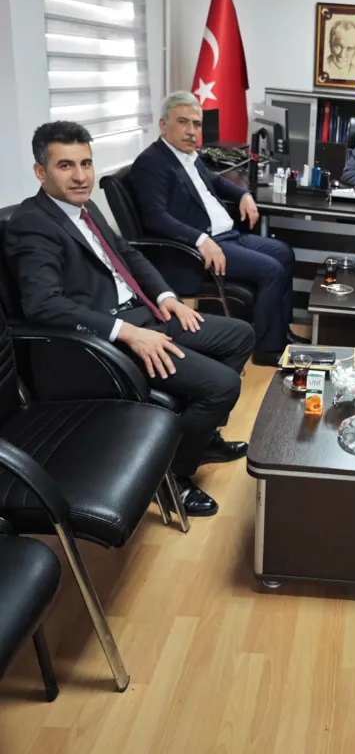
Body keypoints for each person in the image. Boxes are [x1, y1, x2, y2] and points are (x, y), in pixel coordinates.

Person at [5, 121, 256, 518]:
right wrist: (127, 333)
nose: (81, 176)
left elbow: (129, 256)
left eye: (86, 163)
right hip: (102, 343)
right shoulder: (31, 223)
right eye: (66, 166)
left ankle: (201, 436)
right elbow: (42, 304)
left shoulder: (85, 209)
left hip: (143, 315)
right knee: (222, 385)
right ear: (41, 172)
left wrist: (168, 298)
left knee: (240, 335)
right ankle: (174, 476)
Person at [129, 92, 295, 365]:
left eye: (196, 124)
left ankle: (281, 333)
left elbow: (216, 182)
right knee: (271, 269)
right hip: (199, 250)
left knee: (284, 253)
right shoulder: (152, 163)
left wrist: (243, 194)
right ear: (163, 125)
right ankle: (268, 349)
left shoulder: (188, 156)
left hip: (227, 237)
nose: (191, 131)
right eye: (183, 122)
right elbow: (154, 217)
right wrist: (200, 239)